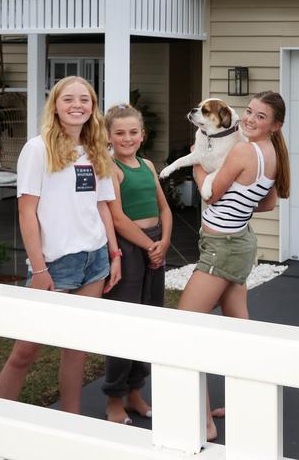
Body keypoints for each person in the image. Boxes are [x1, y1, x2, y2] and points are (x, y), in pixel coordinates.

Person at [0, 76, 122, 413]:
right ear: (56, 106)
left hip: (94, 261)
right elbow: (26, 211)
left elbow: (102, 205)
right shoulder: (38, 148)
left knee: (76, 347)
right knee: (26, 350)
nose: (77, 105)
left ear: (93, 106)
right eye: (69, 99)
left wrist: (114, 253)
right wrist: (39, 268)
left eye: (84, 99)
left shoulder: (97, 149)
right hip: (55, 263)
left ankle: (71, 421)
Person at [176, 90, 291, 440]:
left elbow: (210, 192)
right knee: (240, 330)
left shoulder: (243, 149)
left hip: (222, 248)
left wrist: (197, 163)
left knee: (184, 329)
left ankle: (204, 422)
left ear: (275, 125)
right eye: (249, 112)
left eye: (260, 117)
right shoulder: (271, 154)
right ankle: (248, 404)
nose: (250, 119)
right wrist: (239, 201)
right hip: (240, 242)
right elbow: (267, 202)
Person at [101, 103, 174, 425]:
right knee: (124, 324)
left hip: (155, 245)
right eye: (120, 133)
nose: (127, 138)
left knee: (148, 321)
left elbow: (165, 208)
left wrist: (165, 242)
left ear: (142, 135)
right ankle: (114, 399)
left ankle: (135, 393)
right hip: (132, 248)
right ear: (108, 136)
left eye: (133, 132)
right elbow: (117, 218)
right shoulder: (111, 168)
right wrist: (148, 246)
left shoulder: (146, 164)